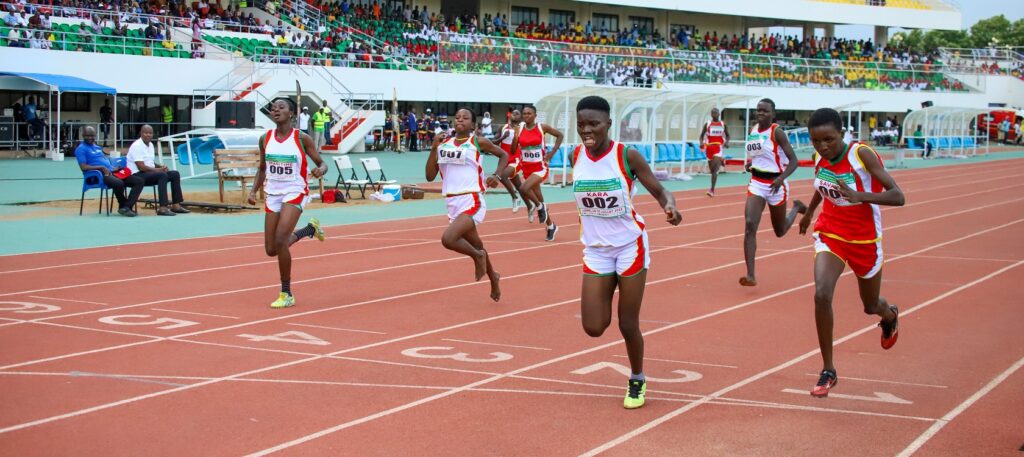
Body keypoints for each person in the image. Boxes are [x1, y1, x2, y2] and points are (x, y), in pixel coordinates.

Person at [571, 95, 682, 409]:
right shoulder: (575, 155)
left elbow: (660, 191)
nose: (586, 130)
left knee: (627, 323)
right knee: (593, 327)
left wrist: (670, 207)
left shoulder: (626, 156)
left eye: (593, 124)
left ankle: (637, 378)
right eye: (581, 124)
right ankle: (606, 288)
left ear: (608, 123)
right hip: (595, 250)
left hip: (629, 246)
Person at [798, 108, 903, 397]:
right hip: (830, 233)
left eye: (829, 140)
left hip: (864, 240)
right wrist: (809, 213)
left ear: (842, 134)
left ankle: (889, 316)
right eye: (815, 141)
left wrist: (861, 196)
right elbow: (824, 185)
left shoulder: (861, 155)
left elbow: (898, 196)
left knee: (870, 306)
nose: (822, 147)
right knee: (821, 293)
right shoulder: (820, 157)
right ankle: (828, 369)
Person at [247, 98, 328, 309]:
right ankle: (309, 229)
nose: (276, 110)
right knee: (271, 249)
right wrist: (254, 190)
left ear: (291, 114)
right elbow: (263, 167)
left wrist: (321, 170)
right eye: (273, 107)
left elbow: (322, 162)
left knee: (282, 239)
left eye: (281, 107)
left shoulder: (302, 138)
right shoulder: (265, 138)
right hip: (273, 193)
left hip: (295, 190)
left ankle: (286, 293)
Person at [426, 107, 508, 301]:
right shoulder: (444, 144)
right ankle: (494, 277)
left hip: (472, 199)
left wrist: (497, 175)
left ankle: (477, 257)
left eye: (465, 118)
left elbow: (504, 155)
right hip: (452, 202)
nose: (460, 120)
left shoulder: (478, 142)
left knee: (448, 239)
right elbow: (430, 176)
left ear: (473, 124)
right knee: (477, 244)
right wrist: (433, 148)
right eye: (457, 117)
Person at [740, 98, 806, 287]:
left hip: (776, 184)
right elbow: (759, 154)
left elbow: (794, 161)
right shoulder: (753, 130)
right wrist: (751, 163)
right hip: (757, 183)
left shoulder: (777, 132)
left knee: (779, 231)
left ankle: (796, 208)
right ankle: (750, 274)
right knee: (750, 224)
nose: (760, 113)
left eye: (765, 111)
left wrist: (780, 178)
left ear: (773, 114)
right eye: (758, 110)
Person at [511, 105, 564, 241]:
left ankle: (540, 206)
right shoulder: (519, 129)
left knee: (523, 188)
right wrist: (515, 138)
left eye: (529, 113)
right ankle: (551, 226)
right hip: (527, 169)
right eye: (524, 114)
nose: (526, 115)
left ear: (535, 115)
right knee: (538, 198)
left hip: (540, 168)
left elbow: (560, 135)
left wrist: (551, 153)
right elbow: (512, 151)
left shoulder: (542, 127)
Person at [75, 126, 144, 217]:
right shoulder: (81, 149)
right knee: (118, 183)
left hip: (111, 172)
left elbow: (104, 160)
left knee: (139, 181)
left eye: (92, 135)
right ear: (83, 136)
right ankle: (123, 205)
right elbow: (83, 167)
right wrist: (102, 168)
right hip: (97, 175)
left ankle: (126, 207)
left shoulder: (97, 147)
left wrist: (113, 168)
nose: (90, 138)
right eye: (87, 136)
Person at [126, 125, 190, 216]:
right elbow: (141, 167)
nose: (148, 135)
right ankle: (163, 208)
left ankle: (176, 205)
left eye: (150, 133)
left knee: (175, 174)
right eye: (145, 133)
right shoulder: (137, 146)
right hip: (138, 174)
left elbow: (150, 163)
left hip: (149, 173)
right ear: (140, 133)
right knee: (162, 175)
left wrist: (161, 167)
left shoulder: (151, 145)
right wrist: (158, 170)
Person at [496, 109, 526, 213]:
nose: (514, 114)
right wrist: (503, 137)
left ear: (520, 118)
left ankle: (515, 198)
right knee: (520, 187)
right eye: (513, 113)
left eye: (517, 114)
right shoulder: (503, 128)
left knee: (502, 176)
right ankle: (534, 205)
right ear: (510, 116)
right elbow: (493, 143)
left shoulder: (522, 129)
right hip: (504, 161)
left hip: (516, 159)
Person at [699, 107, 729, 197]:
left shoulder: (723, 124)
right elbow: (701, 136)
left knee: (714, 171)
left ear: (719, 114)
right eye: (713, 113)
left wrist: (726, 142)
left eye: (716, 113)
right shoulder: (707, 124)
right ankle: (721, 161)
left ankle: (712, 190)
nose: (714, 114)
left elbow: (728, 135)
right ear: (711, 114)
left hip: (718, 148)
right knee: (711, 169)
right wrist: (701, 143)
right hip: (709, 148)